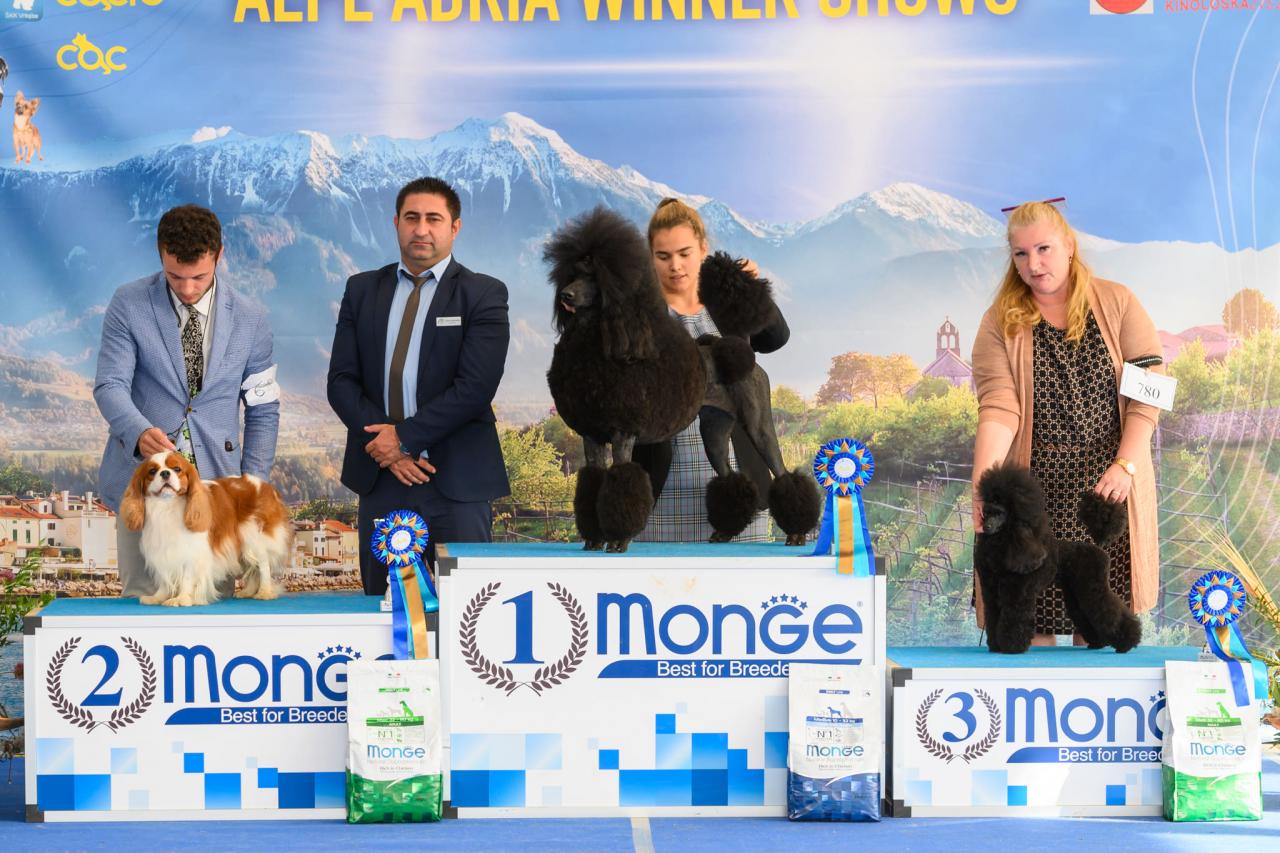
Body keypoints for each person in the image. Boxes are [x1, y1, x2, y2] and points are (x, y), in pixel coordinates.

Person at [971, 200, 1163, 644]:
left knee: (1098, 625)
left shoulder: (1118, 302)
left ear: (1070, 246)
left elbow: (1148, 395)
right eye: (1021, 254)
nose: (1034, 265)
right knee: (1029, 620)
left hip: (1108, 487)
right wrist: (984, 484)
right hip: (1034, 496)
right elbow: (999, 406)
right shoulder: (998, 321)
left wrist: (1126, 465)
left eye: (1044, 249)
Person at [327, 176, 510, 595]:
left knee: (468, 612)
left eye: (433, 219)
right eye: (411, 218)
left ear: (454, 227)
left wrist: (404, 439)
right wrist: (386, 448)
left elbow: (475, 388)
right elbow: (341, 382)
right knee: (386, 613)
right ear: (396, 223)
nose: (421, 229)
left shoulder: (483, 294)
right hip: (381, 477)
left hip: (458, 484)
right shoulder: (361, 290)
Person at [94, 204, 280, 598]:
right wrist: (138, 431)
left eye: (199, 277)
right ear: (160, 253)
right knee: (145, 602)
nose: (188, 289)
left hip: (215, 494)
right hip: (144, 488)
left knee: (210, 608)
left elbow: (263, 407)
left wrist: (253, 483)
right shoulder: (128, 304)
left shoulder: (252, 318)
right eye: (175, 276)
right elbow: (110, 384)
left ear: (219, 255)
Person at [633, 198, 790, 543]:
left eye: (684, 253)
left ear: (703, 249)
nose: (675, 265)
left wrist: (751, 289)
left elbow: (776, 338)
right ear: (650, 257)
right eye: (663, 256)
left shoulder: (726, 302)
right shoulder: (636, 315)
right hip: (659, 500)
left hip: (742, 495)